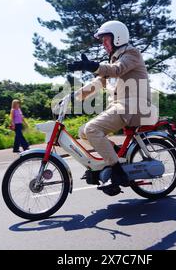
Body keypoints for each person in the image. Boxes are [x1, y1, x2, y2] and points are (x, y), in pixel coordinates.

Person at [67, 20, 158, 196]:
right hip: (121, 107)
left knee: (93, 128)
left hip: (134, 106)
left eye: (105, 40)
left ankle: (117, 172)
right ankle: (115, 154)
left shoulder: (131, 53)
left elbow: (116, 70)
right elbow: (98, 82)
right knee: (83, 131)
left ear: (117, 38)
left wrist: (93, 66)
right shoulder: (113, 59)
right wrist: (74, 96)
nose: (103, 44)